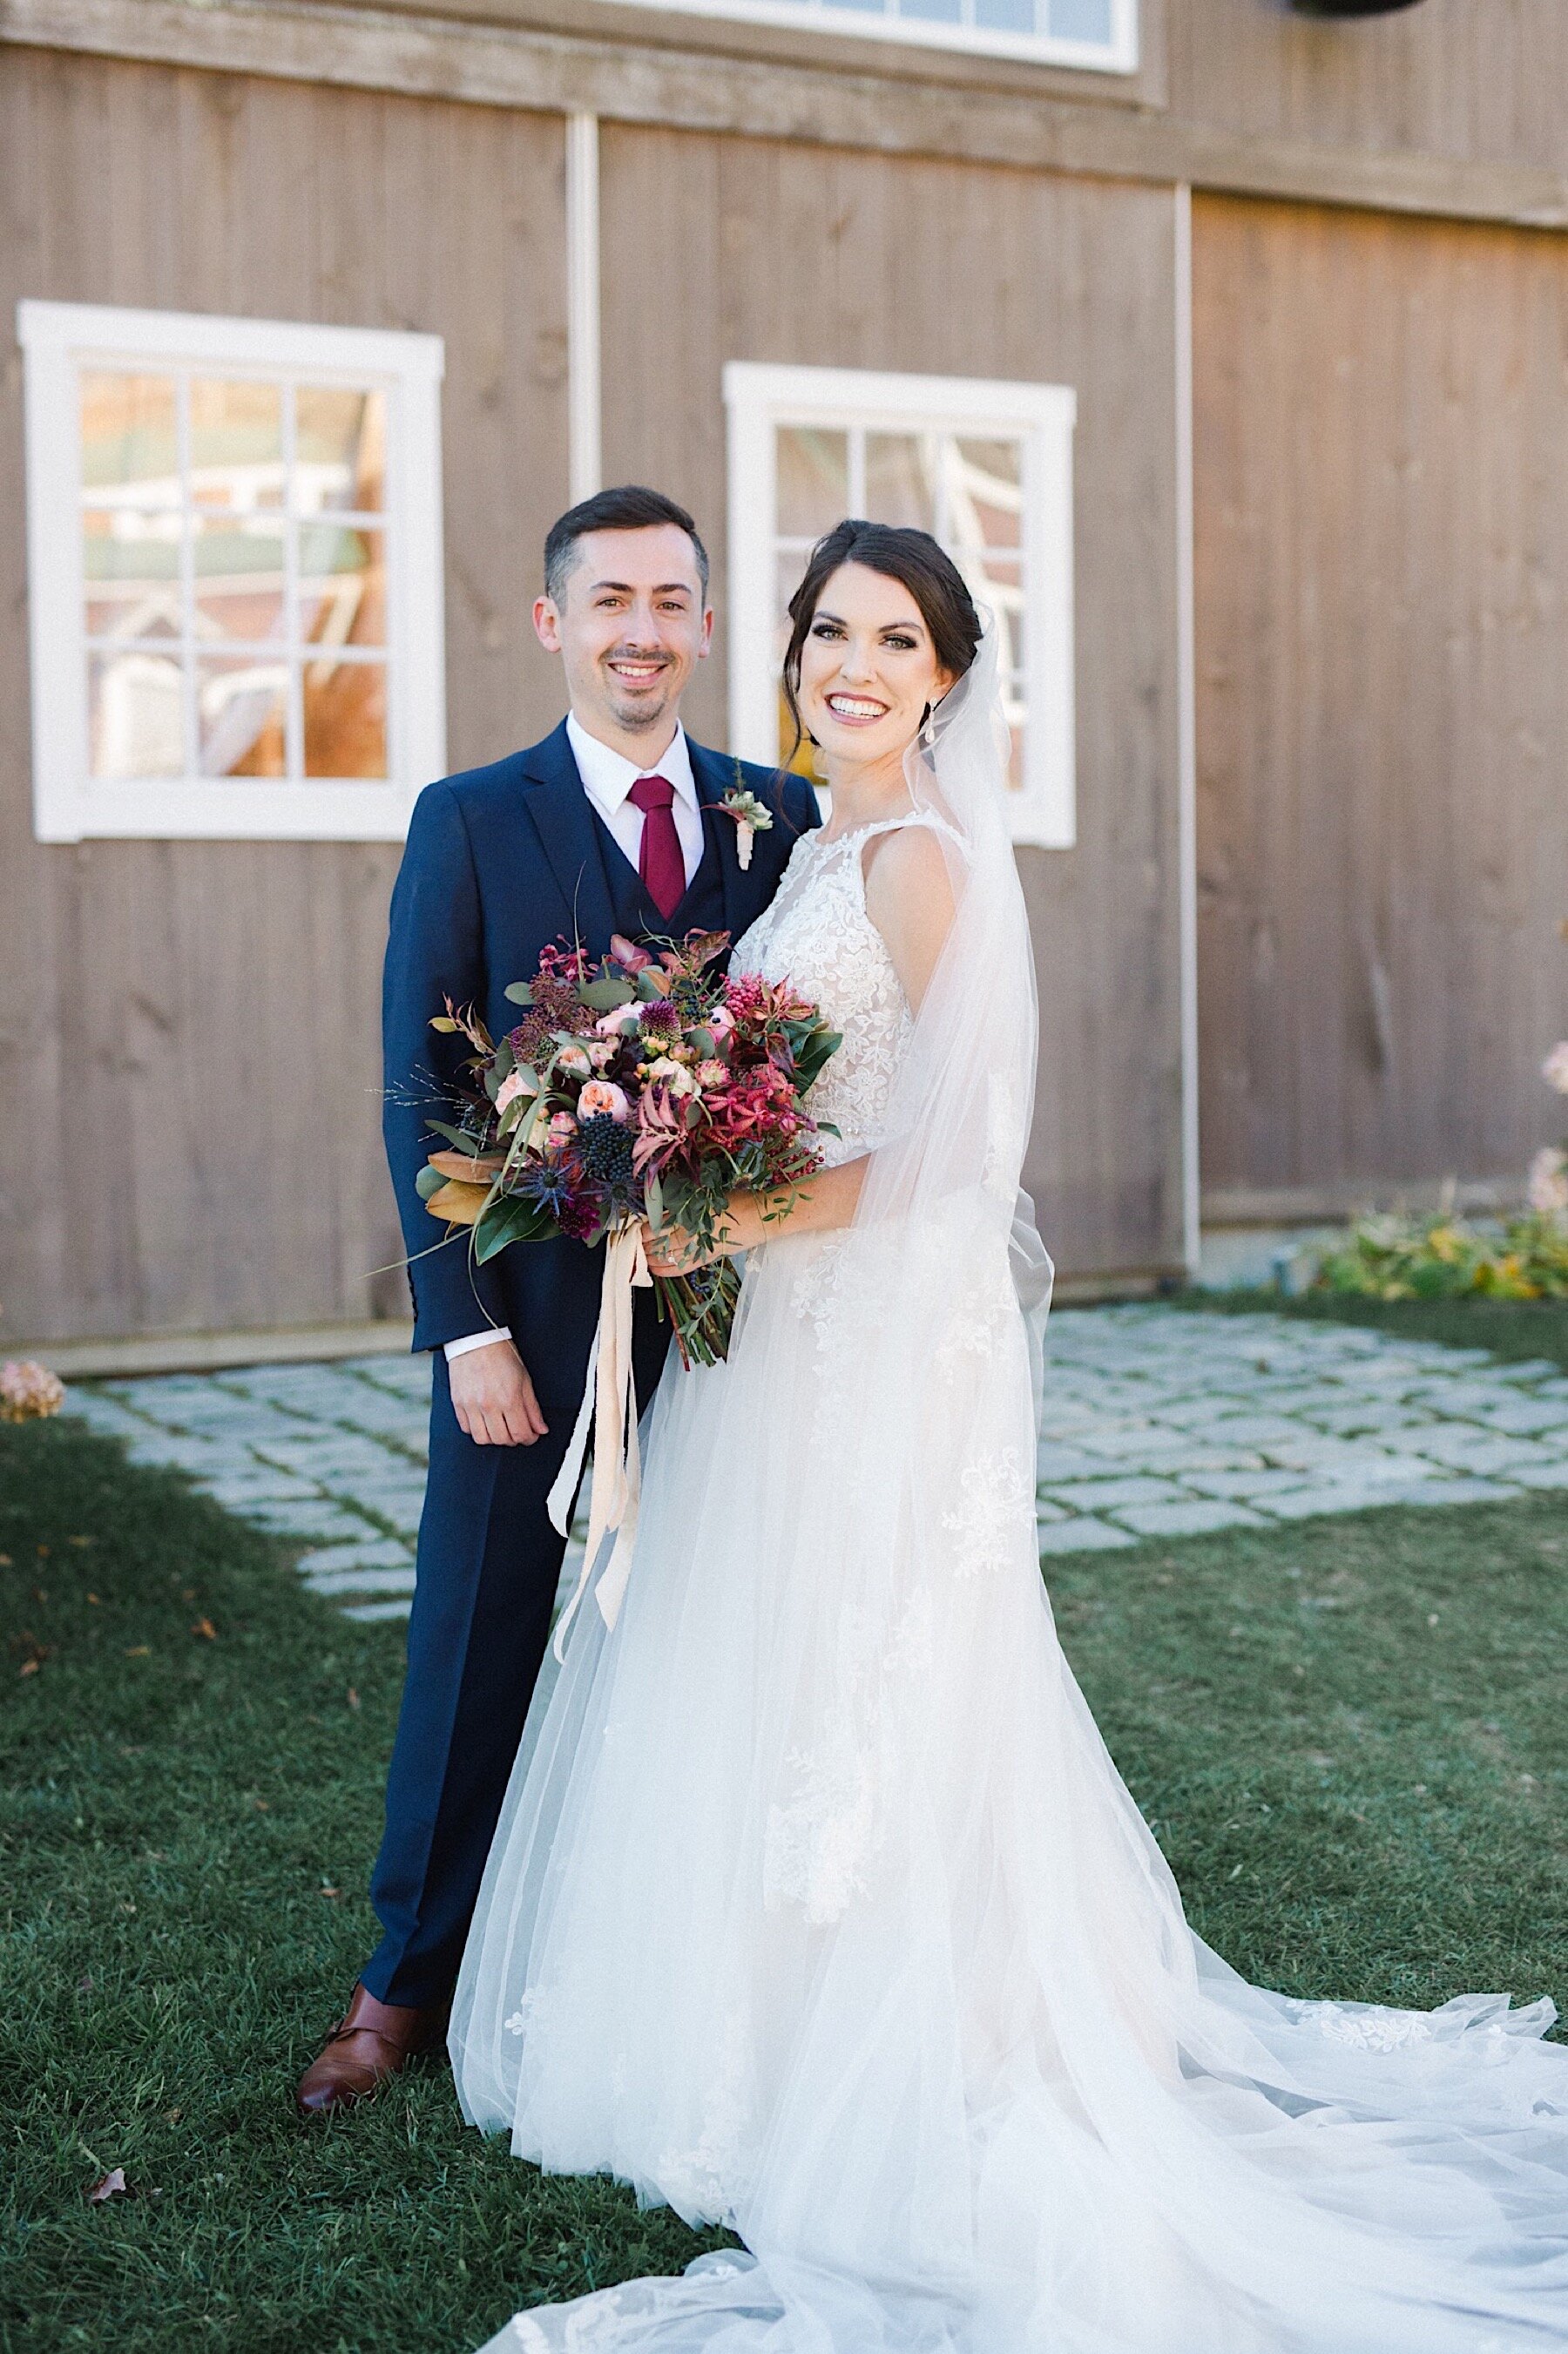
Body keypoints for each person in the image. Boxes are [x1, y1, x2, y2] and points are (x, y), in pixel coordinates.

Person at [449, 519, 1568, 2351]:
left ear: (947, 678)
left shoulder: (921, 867)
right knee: (770, 1648)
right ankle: (748, 2012)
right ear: (795, 654)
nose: (854, 665)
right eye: (830, 632)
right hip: (799, 1331)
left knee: (878, 1658)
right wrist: (670, 1149)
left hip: (883, 1332)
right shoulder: (814, 845)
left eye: (895, 639)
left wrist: (721, 1216)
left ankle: (876, 2036)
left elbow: (955, 1160)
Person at [295, 486, 819, 2117]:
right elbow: (416, 1087)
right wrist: (461, 1331)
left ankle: (689, 1967)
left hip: (739, 1318)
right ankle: (402, 1986)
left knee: (717, 1640)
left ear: (708, 624)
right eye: (609, 602)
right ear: (554, 624)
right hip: (524, 1328)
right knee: (476, 1629)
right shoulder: (469, 816)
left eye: (671, 600)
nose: (641, 631)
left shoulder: (779, 815)